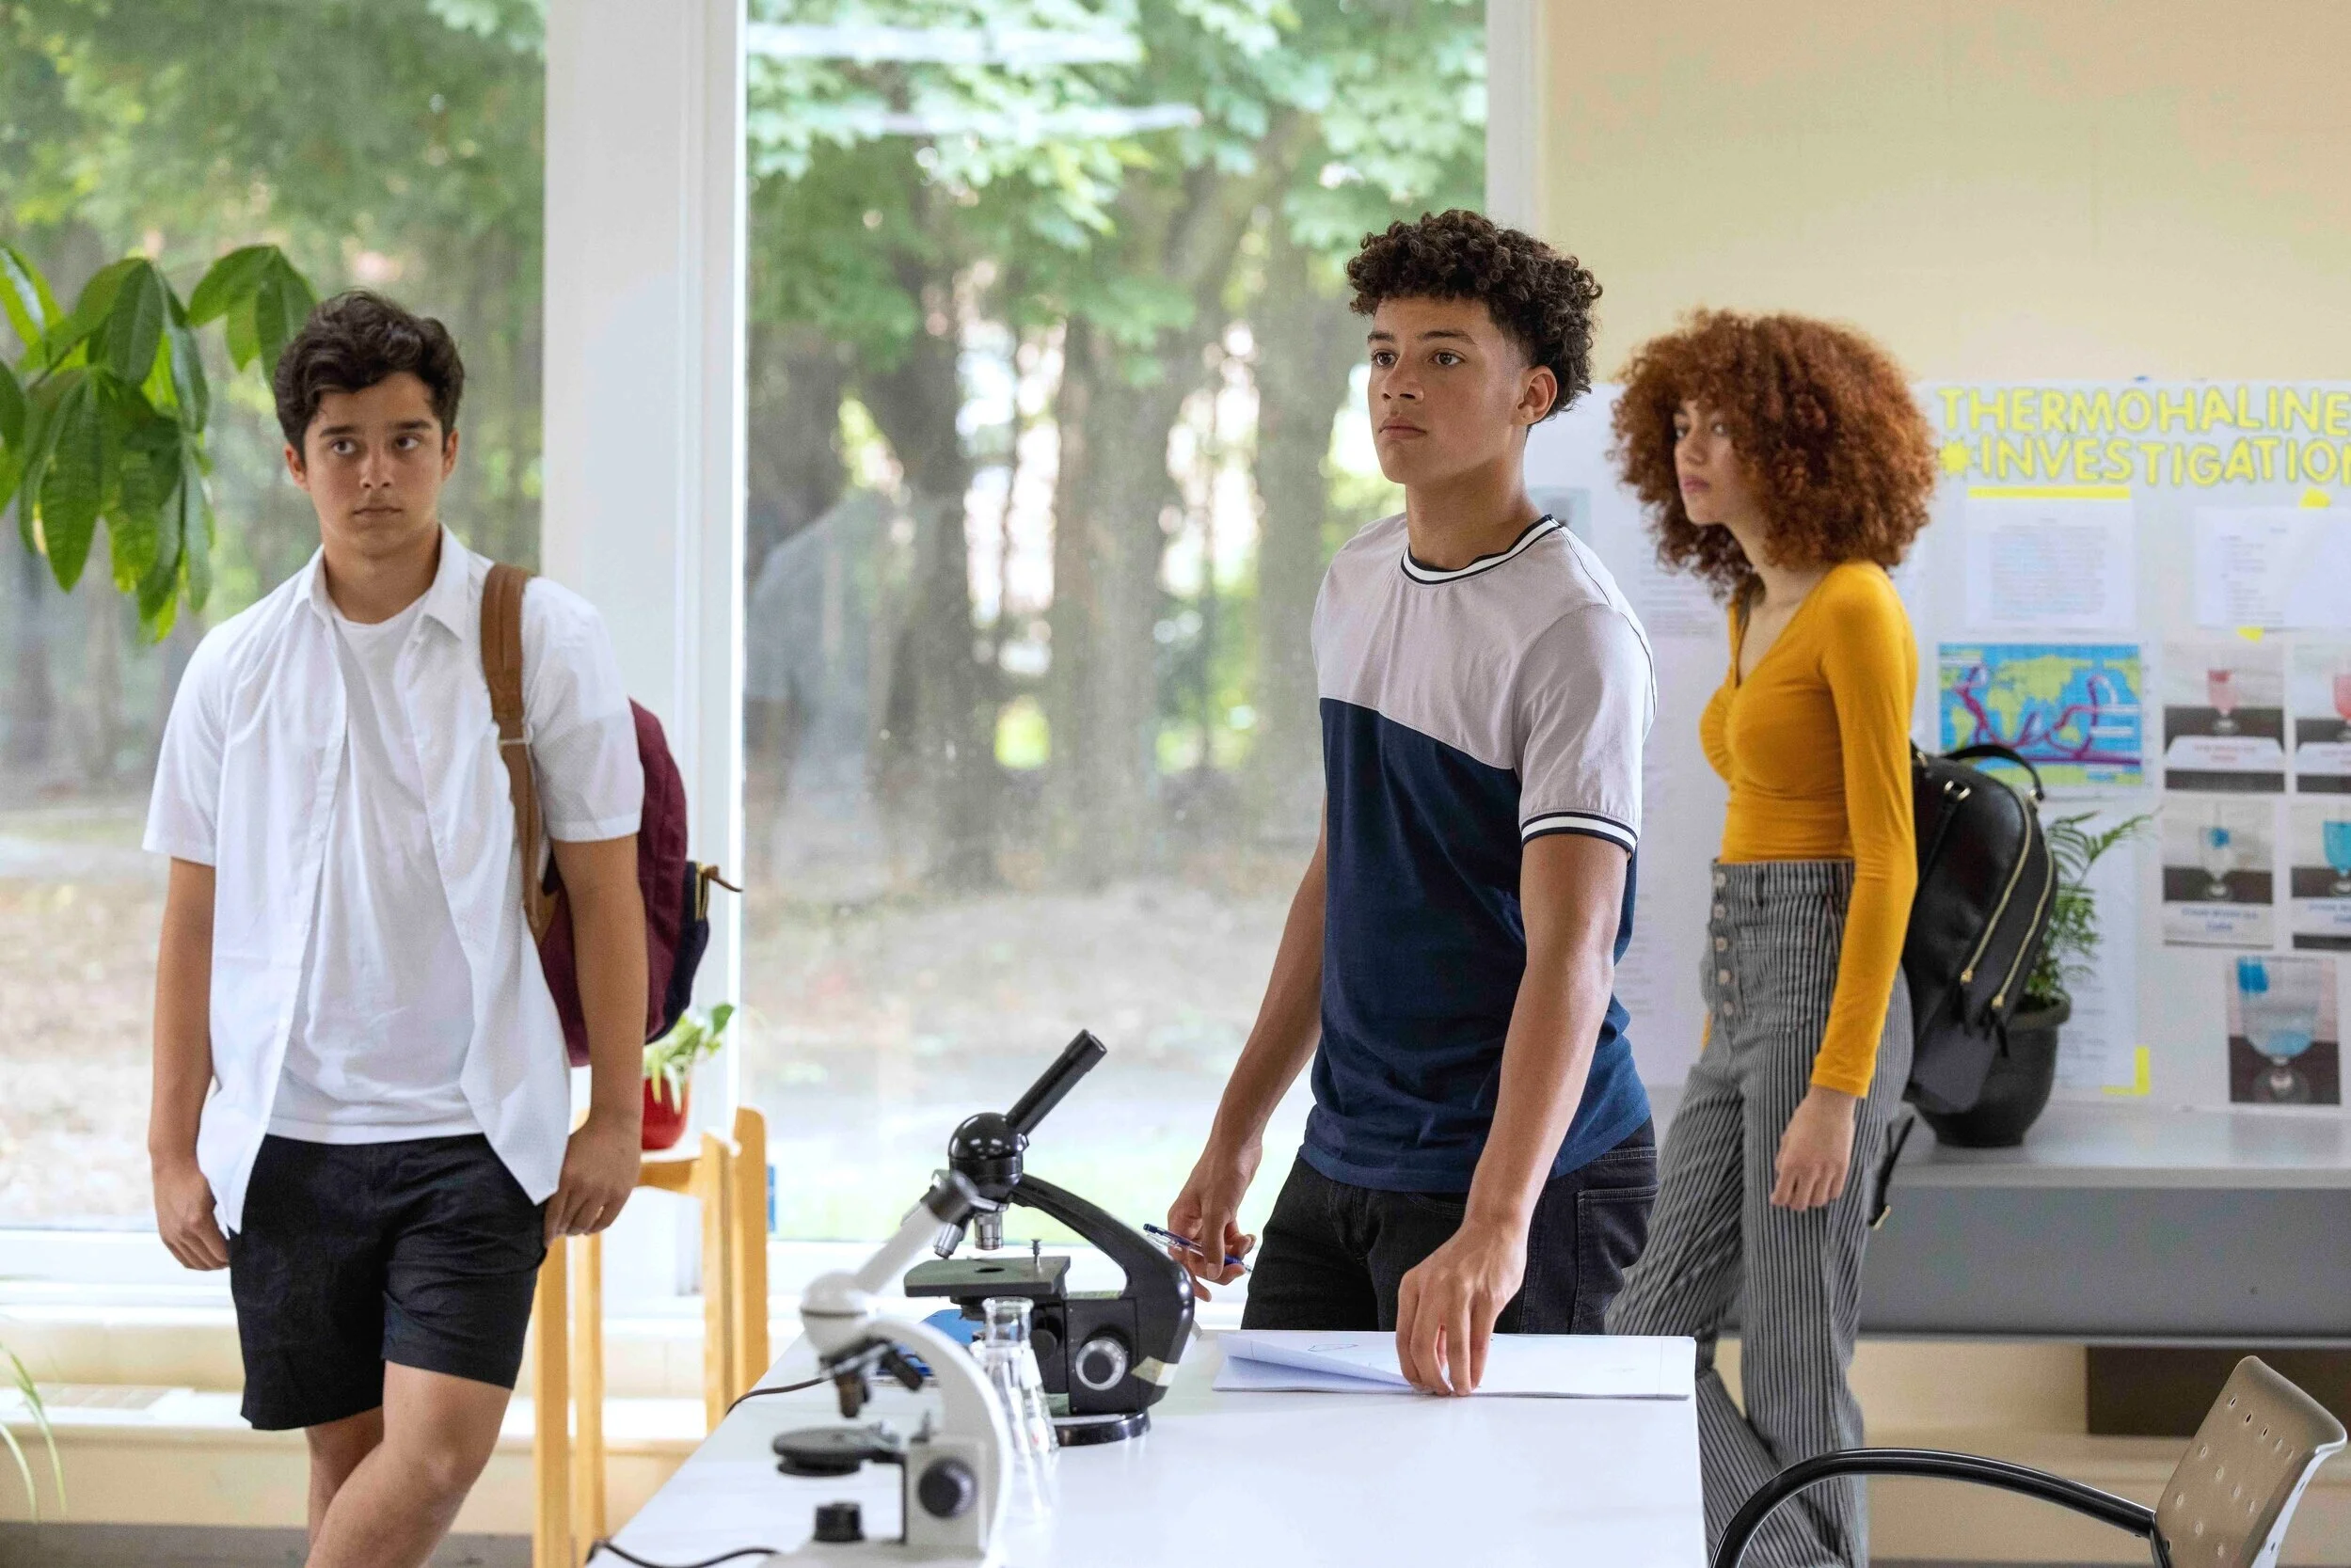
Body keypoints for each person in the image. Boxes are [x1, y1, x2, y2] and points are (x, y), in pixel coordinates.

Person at [145, 292, 649, 1568]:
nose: (377, 472)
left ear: (452, 448)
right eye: (345, 443)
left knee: (429, 1456)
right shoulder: (234, 666)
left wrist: (610, 1114)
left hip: (475, 1127)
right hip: (291, 1134)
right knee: (346, 1455)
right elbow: (191, 924)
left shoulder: (544, 638)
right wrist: (169, 1144)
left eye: (407, 438)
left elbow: (605, 894)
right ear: (296, 460)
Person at [1166, 210, 1660, 1396]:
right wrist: (1238, 1132)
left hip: (1522, 1169)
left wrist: (1498, 1222)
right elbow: (1345, 874)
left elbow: (1574, 949)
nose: (1398, 384)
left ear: (1530, 394)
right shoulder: (1353, 578)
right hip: (1346, 1155)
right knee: (1284, 1490)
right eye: (1383, 353)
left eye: (1445, 355)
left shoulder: (1574, 630)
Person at [1602, 309, 1937, 1568]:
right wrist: (1718, 1009)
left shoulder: (1853, 605)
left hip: (1822, 987)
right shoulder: (1752, 604)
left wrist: (1836, 1086)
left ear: (1796, 441)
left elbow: (1881, 856)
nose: (1692, 448)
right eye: (1678, 425)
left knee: (1795, 1358)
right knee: (1633, 1329)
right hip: (1740, 980)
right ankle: (1793, 1557)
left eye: (1722, 425)